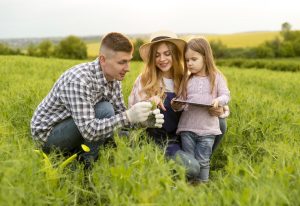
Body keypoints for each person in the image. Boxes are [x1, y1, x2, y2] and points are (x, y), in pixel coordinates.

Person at [31, 32, 164, 169]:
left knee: (125, 135)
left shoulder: (113, 77)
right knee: (105, 110)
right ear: (103, 60)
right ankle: (87, 166)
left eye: (129, 60)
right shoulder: (79, 80)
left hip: (78, 125)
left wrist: (141, 121)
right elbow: (90, 130)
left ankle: (77, 153)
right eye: (122, 62)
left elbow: (120, 114)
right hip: (49, 135)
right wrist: (129, 116)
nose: (128, 68)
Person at [128, 31, 229, 178]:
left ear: (175, 54)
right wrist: (149, 104)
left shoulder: (185, 78)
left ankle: (200, 162)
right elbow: (133, 116)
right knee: (192, 169)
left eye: (167, 53)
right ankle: (165, 167)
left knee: (221, 123)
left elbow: (212, 97)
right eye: (157, 55)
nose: (162, 59)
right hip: (162, 141)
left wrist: (220, 109)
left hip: (185, 134)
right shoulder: (144, 80)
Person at [172, 36, 230, 183]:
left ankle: (202, 188)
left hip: (207, 130)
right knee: (190, 162)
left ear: (205, 57)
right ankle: (189, 187)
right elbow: (183, 100)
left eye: (193, 59)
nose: (189, 63)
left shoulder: (216, 78)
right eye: (187, 60)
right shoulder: (187, 79)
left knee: (203, 161)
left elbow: (225, 95)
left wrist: (218, 101)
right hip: (187, 128)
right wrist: (176, 105)